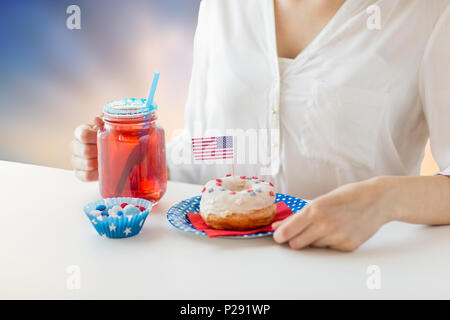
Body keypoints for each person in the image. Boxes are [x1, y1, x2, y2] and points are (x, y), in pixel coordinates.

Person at [71, 0, 450, 251]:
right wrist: (139, 159)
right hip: (210, 270)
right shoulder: (224, 6)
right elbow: (217, 142)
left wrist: (383, 200)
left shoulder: (428, 12)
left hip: (349, 273)